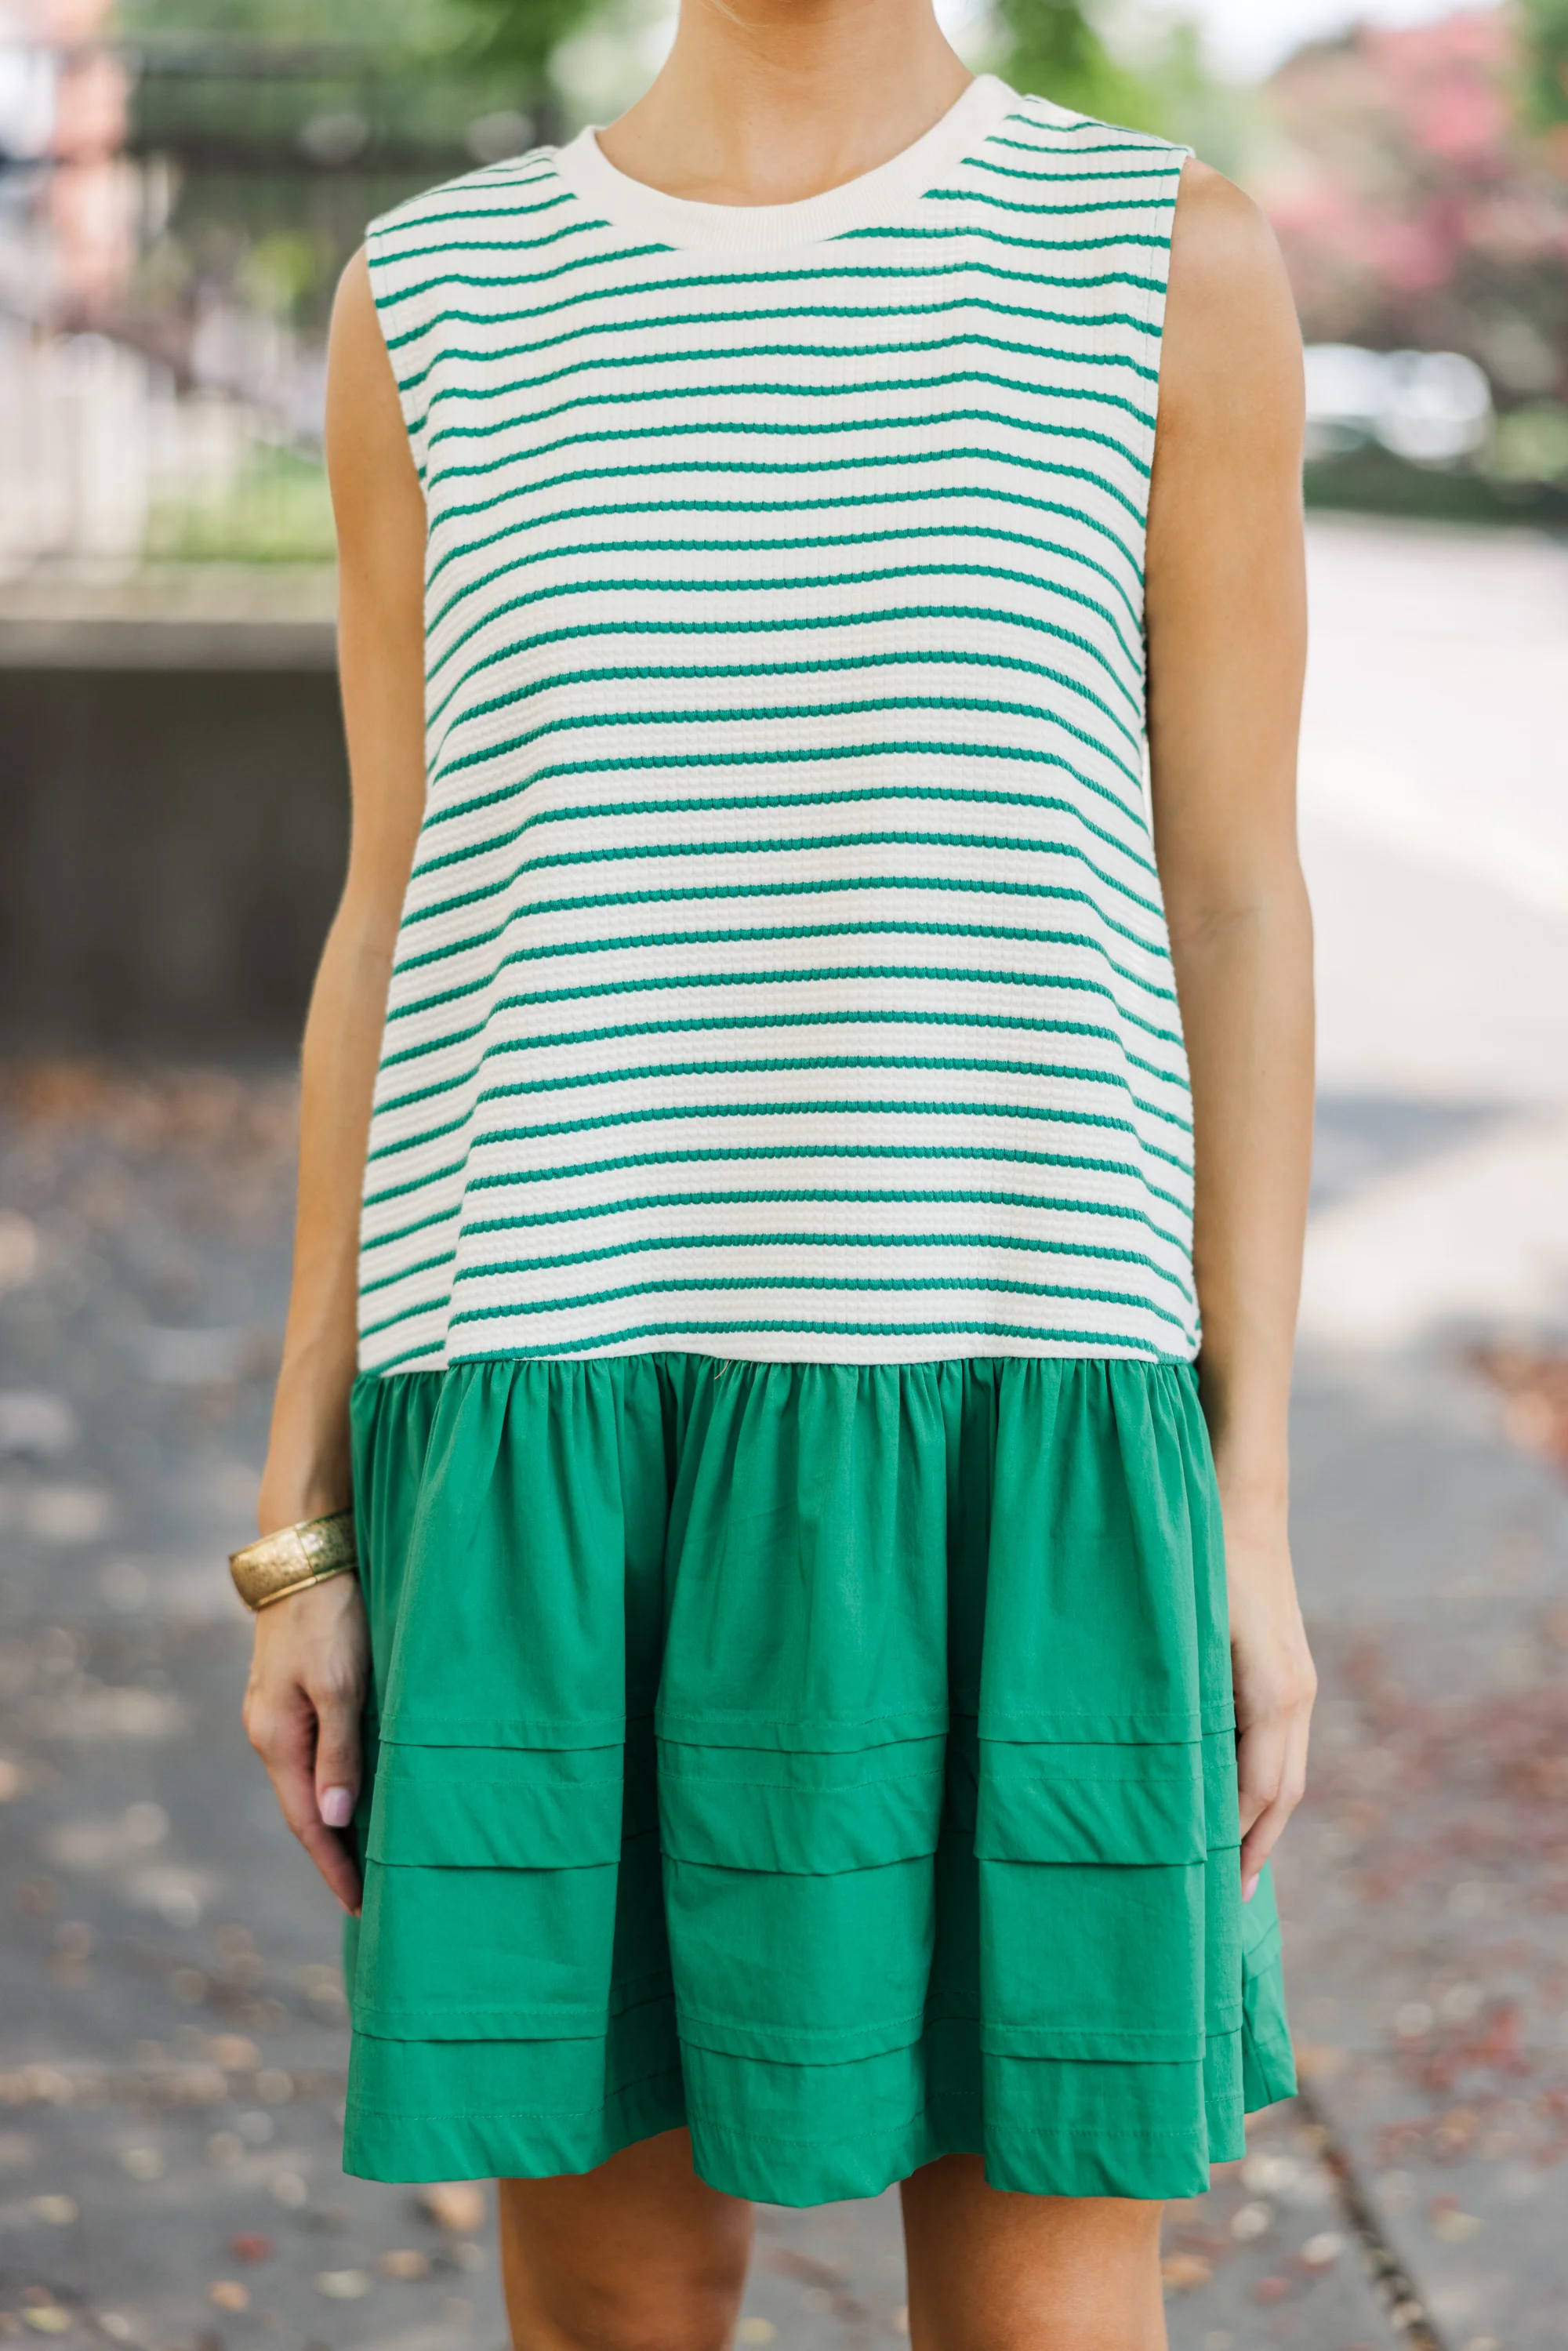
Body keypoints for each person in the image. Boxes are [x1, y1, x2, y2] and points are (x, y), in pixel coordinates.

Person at [237, 0, 1316, 2338]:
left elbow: (1235, 898)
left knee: (1045, 2302)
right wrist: (301, 1525)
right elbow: (390, 907)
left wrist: (1248, 1507)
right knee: (616, 2305)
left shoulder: (1166, 261)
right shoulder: (432, 297)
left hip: (1025, 1433)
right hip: (554, 1437)